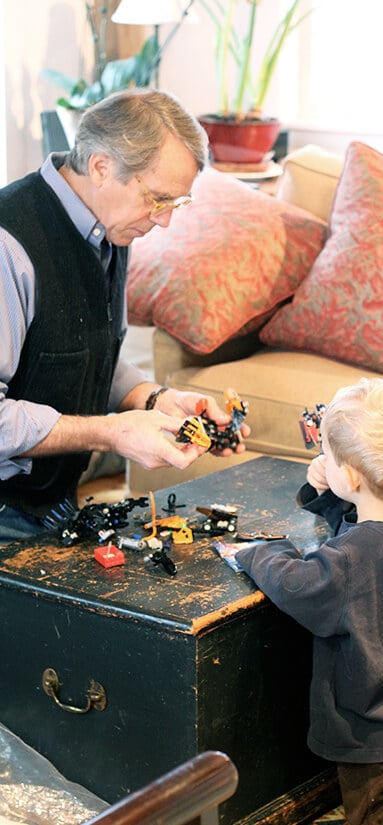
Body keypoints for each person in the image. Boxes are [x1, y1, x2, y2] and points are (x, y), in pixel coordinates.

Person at [0, 89, 249, 545]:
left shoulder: (108, 229)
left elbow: (78, 353)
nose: (164, 221)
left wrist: (156, 400)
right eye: (158, 199)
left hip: (50, 504)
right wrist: (112, 433)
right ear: (100, 167)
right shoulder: (8, 246)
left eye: (176, 203)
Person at [236, 378, 383, 825]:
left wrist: (259, 552)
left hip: (370, 717)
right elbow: (357, 528)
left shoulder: (354, 556)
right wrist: (328, 492)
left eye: (328, 457)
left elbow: (298, 584)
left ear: (352, 476)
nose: (321, 462)